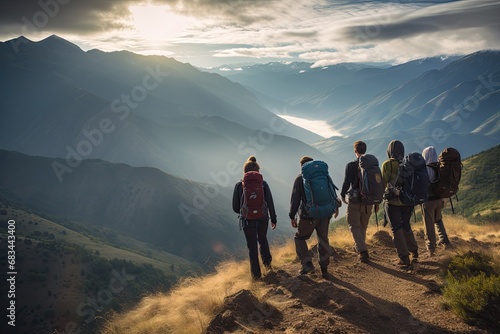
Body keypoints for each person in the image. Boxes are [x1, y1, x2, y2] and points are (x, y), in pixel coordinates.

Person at [289, 156, 339, 278]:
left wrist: (292, 216)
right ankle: (324, 269)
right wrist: (335, 207)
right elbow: (332, 192)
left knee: (300, 238)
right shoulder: (324, 175)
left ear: (302, 167)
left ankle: (307, 264)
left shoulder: (300, 179)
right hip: (325, 213)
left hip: (308, 215)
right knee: (323, 238)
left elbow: (295, 200)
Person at [232, 156, 277, 280]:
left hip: (247, 219)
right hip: (263, 217)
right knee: (262, 239)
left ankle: (256, 276)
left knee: (252, 247)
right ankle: (268, 266)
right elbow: (270, 202)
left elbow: (235, 207)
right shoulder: (263, 184)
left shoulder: (239, 185)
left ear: (244, 171)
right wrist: (273, 218)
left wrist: (246, 210)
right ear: (258, 171)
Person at [381, 140, 419, 267]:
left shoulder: (387, 164)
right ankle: (414, 251)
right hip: (408, 202)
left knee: (396, 229)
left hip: (393, 203)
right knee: (406, 225)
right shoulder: (409, 163)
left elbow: (383, 184)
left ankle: (404, 258)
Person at [340, 140, 378, 263]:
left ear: (355, 151)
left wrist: (342, 194)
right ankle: (360, 247)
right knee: (363, 225)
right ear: (365, 150)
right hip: (369, 201)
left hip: (355, 200)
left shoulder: (351, 165)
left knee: (353, 225)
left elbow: (346, 183)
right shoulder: (373, 164)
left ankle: (362, 251)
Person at [421, 146, 450, 255]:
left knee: (429, 224)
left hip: (428, 201)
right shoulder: (440, 167)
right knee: (438, 219)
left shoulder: (424, 169)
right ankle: (445, 241)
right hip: (440, 200)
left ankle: (431, 247)